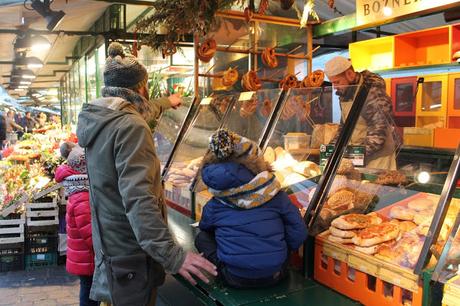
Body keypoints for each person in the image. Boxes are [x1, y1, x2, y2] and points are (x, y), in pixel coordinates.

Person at [76, 42, 216, 305]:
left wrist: (168, 102)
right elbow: (139, 200)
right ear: (141, 88)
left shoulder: (102, 116)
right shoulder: (131, 127)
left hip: (112, 248)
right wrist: (174, 256)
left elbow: (144, 108)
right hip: (132, 257)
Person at [195, 129, 307, 288]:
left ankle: (220, 266)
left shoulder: (216, 203)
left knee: (202, 237)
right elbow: (299, 230)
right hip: (275, 273)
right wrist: (282, 249)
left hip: (234, 276)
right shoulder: (275, 194)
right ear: (255, 164)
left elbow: (205, 227)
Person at [324, 56, 399, 170]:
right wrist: (331, 150)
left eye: (337, 82)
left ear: (349, 74)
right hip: (357, 157)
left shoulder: (372, 91)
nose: (335, 87)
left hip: (377, 160)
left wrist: (351, 155)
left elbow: (378, 133)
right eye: (332, 83)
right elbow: (344, 127)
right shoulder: (346, 93)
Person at [55, 142, 98, 306]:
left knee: (87, 289)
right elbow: (88, 232)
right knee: (89, 293)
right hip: (86, 256)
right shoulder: (82, 195)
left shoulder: (77, 189)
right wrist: (101, 248)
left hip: (82, 255)